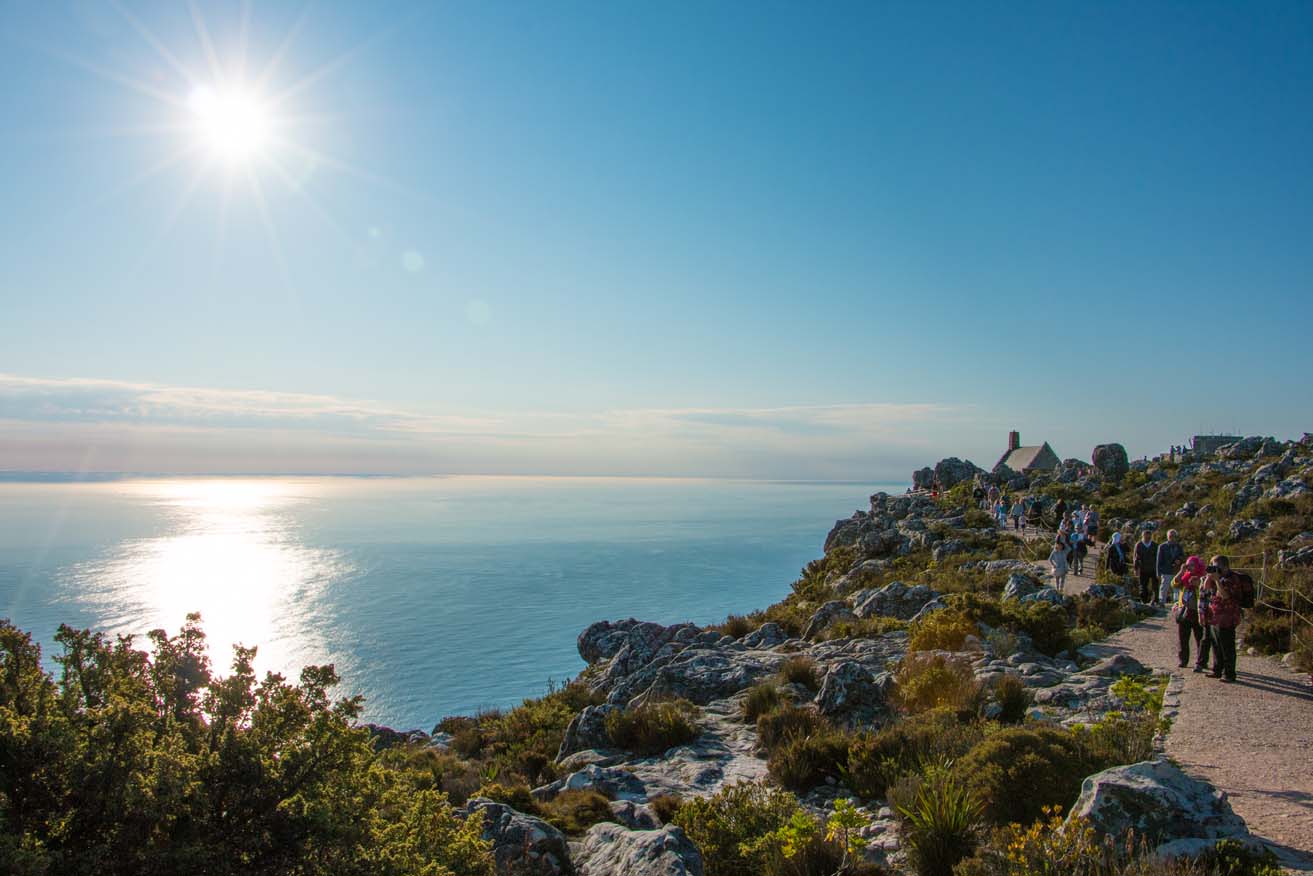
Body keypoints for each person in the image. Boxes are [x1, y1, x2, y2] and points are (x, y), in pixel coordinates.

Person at [1200, 555, 1244, 682]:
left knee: (1227, 646)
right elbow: (1206, 588)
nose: (1215, 569)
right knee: (1216, 645)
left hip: (1228, 616)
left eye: (1216, 566)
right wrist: (1210, 576)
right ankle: (1217, 670)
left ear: (1225, 566)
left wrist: (1218, 580)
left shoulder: (1232, 578)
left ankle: (1229, 674)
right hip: (1215, 616)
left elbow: (1225, 596)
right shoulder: (1216, 577)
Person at [1171, 555, 1207, 670]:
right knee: (1183, 638)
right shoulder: (1185, 576)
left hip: (1198, 612)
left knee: (1200, 638)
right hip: (1184, 611)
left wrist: (1197, 584)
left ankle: (1201, 661)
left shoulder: (1203, 577)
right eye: (1188, 565)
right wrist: (1181, 571)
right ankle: (1183, 660)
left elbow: (1206, 590)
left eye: (1192, 565)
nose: (1190, 567)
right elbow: (1174, 584)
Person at [1156, 530, 1186, 605]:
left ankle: (1176, 603)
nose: (1172, 538)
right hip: (1166, 570)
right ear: (1167, 537)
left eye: (1174, 536)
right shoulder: (1162, 546)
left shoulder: (1179, 546)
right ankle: (1161, 602)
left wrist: (1179, 560)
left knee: (1177, 588)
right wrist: (1158, 572)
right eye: (1170, 536)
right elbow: (1158, 560)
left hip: (1176, 571)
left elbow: (1183, 556)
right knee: (1164, 588)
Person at [1133, 529, 1160, 605]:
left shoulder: (1155, 545)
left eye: (1149, 537)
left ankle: (1155, 600)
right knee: (1143, 586)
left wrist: (1159, 569)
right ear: (1143, 536)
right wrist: (1136, 568)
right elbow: (1136, 558)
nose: (1147, 538)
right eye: (1146, 537)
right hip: (1143, 569)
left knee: (1155, 586)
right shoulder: (1139, 545)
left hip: (1154, 569)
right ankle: (1144, 601)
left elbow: (1158, 558)